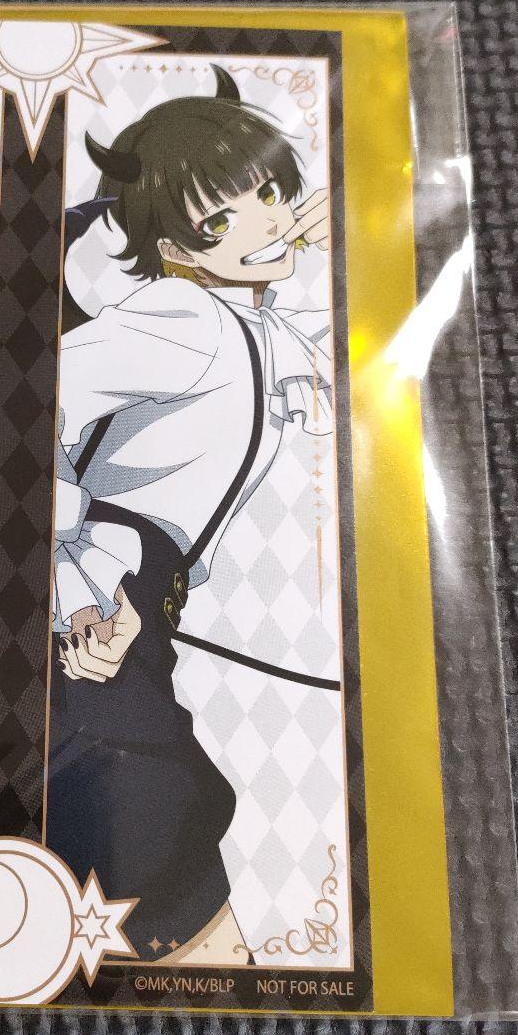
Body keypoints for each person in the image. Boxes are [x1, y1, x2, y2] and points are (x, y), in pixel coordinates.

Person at [47, 67, 334, 964]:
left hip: (142, 607)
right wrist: (76, 569)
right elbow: (19, 409)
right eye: (218, 222)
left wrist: (343, 237)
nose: (264, 226)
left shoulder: (249, 321)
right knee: (148, 816)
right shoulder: (180, 317)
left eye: (271, 195)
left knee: (143, 830)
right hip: (99, 603)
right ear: (170, 245)